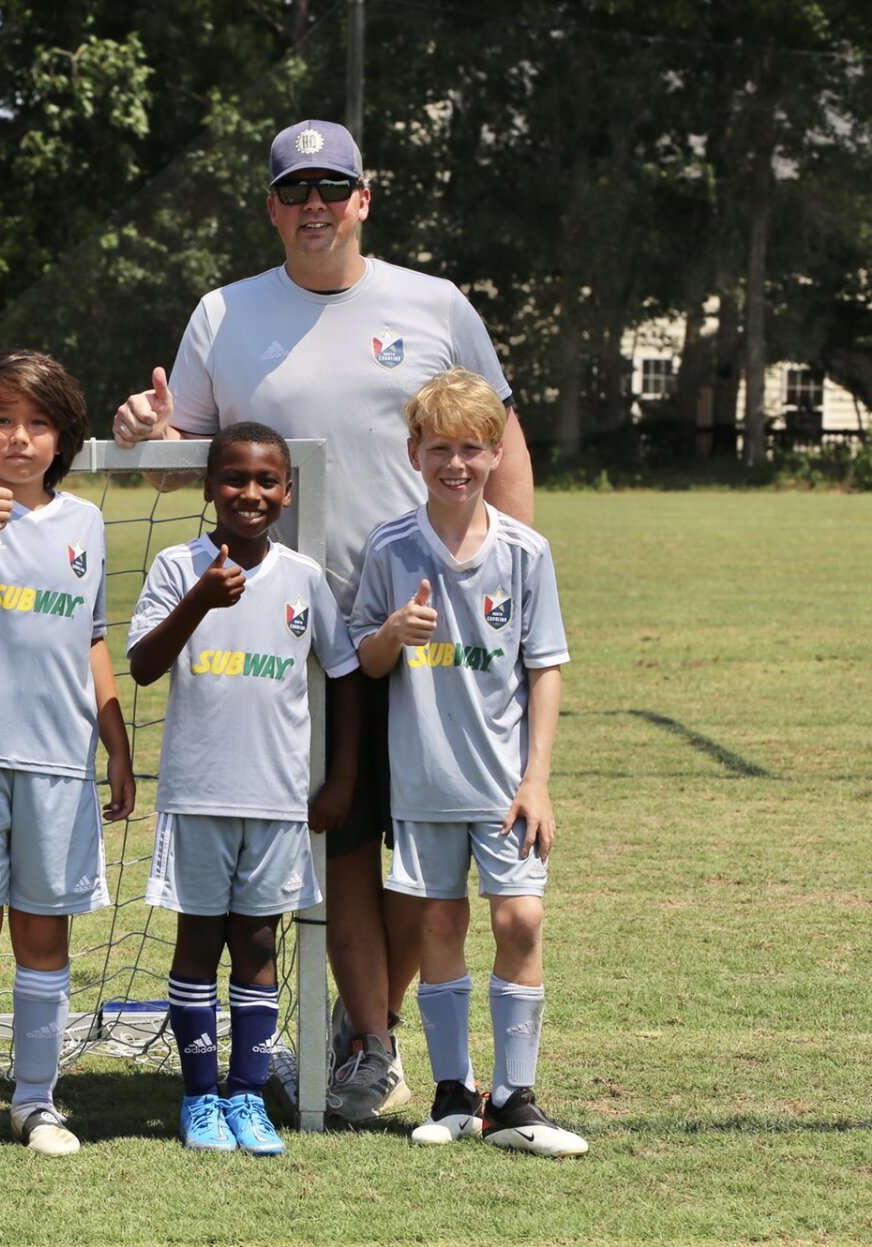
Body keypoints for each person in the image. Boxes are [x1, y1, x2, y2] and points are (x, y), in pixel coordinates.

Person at [112, 118, 537, 1122]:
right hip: (295, 635)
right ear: (271, 205)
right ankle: (373, 1042)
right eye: (294, 188)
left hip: (430, 628)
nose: (314, 205)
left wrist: (508, 592)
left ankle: (370, 1022)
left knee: (420, 842)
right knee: (341, 839)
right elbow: (196, 445)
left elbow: (499, 441)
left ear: (364, 199)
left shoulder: (435, 306)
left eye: (331, 188)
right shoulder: (224, 312)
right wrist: (145, 430)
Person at [351, 368, 584, 1156]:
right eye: (441, 448)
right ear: (415, 453)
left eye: (473, 449)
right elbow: (364, 660)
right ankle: (456, 1093)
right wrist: (392, 632)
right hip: (423, 782)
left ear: (493, 454)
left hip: (507, 787)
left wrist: (538, 778)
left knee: (520, 917)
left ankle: (517, 1098)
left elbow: (544, 666)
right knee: (440, 921)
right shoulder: (390, 547)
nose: (457, 464)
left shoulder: (526, 552)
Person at [0, 350, 134, 1161]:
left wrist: (115, 743)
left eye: (36, 422)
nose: (17, 436)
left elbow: (92, 637)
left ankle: (37, 1102)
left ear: (63, 437)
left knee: (46, 935)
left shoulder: (85, 523)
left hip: (60, 761)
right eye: (0, 420)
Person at [126, 423, 361, 1156]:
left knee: (259, 941)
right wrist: (200, 599)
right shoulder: (177, 566)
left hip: (277, 798)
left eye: (267, 481)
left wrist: (342, 778)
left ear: (288, 491)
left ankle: (248, 1096)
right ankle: (199, 1098)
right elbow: (141, 664)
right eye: (234, 479)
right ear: (208, 487)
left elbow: (347, 674)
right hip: (197, 794)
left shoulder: (302, 578)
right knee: (197, 939)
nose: (251, 494)